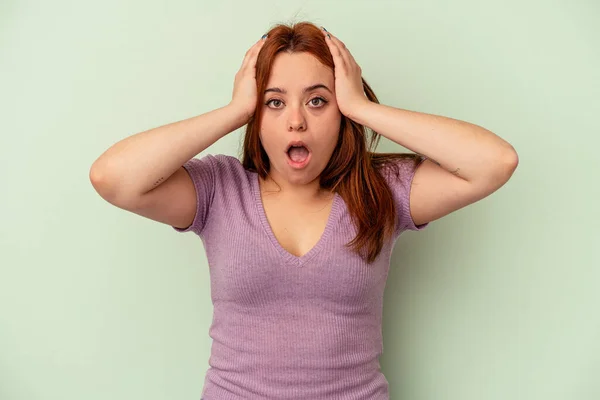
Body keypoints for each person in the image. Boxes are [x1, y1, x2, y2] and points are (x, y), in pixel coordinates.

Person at [90, 21, 518, 400]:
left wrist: (364, 108)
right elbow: (113, 178)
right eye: (274, 102)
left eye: (318, 101)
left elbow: (494, 163)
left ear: (340, 112)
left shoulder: (380, 189)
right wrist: (235, 110)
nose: (296, 121)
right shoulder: (220, 190)